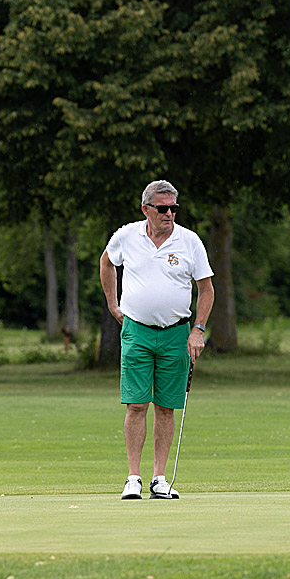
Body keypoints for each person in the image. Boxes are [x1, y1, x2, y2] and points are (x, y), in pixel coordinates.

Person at [99, 180, 214, 499]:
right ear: (146, 209)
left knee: (166, 407)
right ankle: (133, 478)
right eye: (162, 208)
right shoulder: (127, 235)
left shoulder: (189, 241)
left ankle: (159, 479)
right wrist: (113, 303)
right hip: (136, 330)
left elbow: (206, 289)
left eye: (174, 209)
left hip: (177, 332)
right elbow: (107, 262)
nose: (169, 214)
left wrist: (198, 329)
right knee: (136, 404)